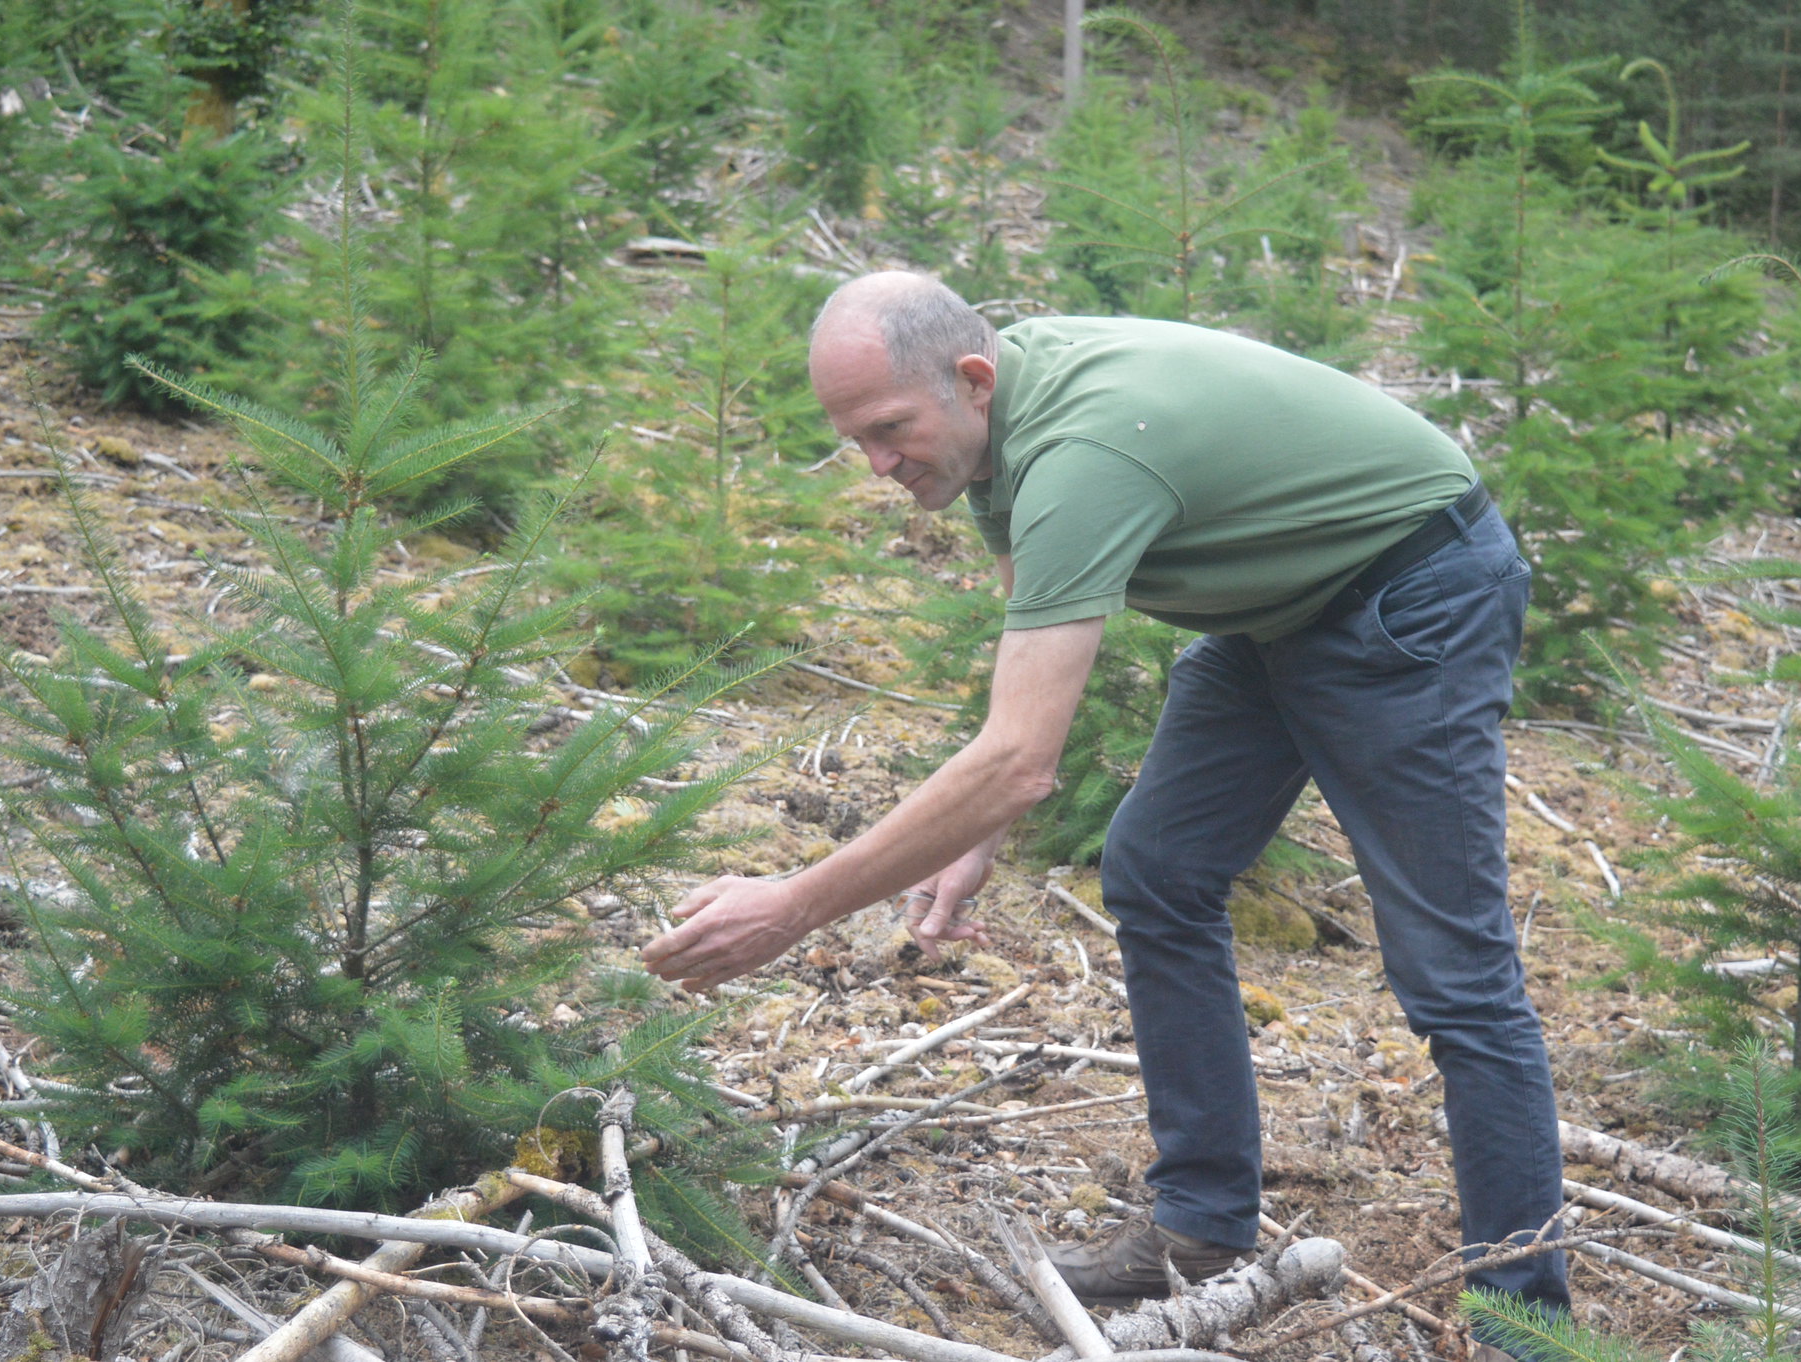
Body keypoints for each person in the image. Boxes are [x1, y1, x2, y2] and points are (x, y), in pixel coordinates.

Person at [640, 271, 1569, 1347]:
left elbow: (1017, 760)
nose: (877, 464)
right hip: (1278, 607)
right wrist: (977, 835)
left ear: (971, 378)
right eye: (855, 440)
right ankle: (1201, 1226)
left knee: (1454, 975)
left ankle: (1524, 1324)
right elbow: (1026, 674)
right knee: (1158, 869)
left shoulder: (1081, 454)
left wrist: (795, 904)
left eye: (889, 430)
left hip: (1414, 588)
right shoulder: (992, 435)